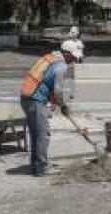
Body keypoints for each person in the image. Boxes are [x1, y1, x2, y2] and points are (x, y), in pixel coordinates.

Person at [19, 39, 83, 176]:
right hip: (34, 100)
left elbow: (48, 85)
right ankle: (42, 167)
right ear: (66, 53)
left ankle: (35, 165)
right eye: (72, 57)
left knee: (37, 134)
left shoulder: (50, 58)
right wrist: (63, 105)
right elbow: (59, 92)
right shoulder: (61, 67)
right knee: (43, 133)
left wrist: (57, 103)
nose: (74, 60)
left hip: (27, 97)